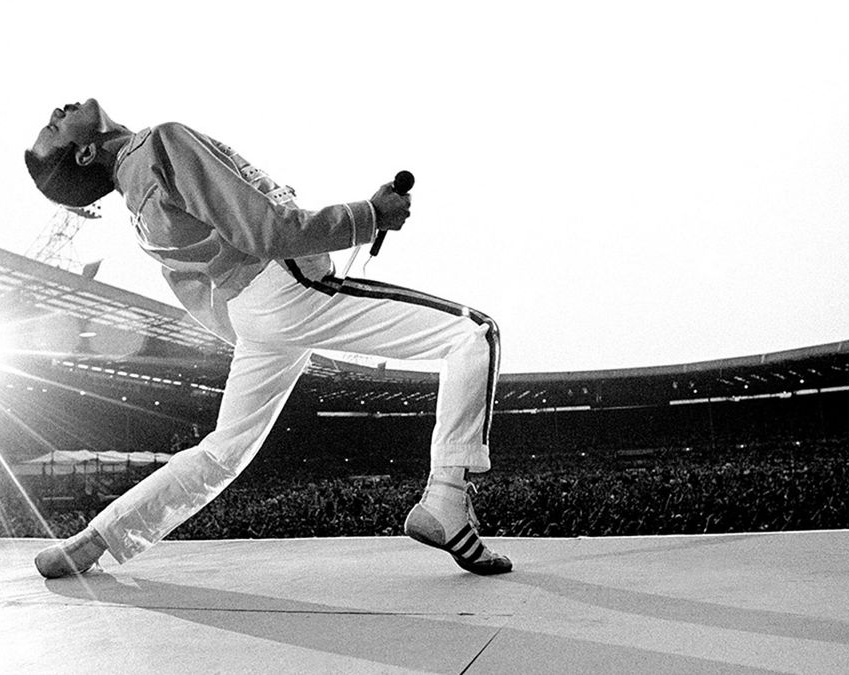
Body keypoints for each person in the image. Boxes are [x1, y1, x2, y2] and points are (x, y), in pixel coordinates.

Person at [25, 99, 511, 577]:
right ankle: (447, 498)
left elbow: (203, 279)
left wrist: (258, 317)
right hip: (284, 288)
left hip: (253, 314)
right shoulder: (160, 142)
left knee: (220, 454)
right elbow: (267, 230)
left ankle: (93, 539)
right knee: (473, 335)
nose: (57, 111)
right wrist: (369, 215)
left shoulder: (136, 203)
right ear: (86, 154)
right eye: (54, 126)